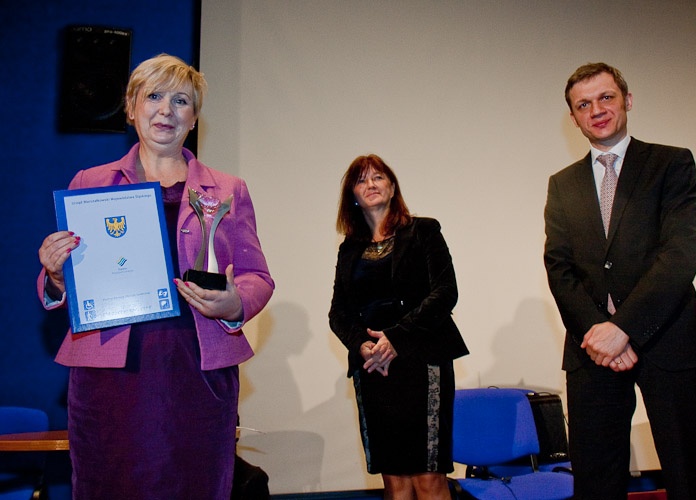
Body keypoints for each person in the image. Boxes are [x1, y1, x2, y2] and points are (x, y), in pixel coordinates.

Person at [37, 54, 274, 499]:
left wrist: (234, 303)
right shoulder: (90, 182)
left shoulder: (229, 189)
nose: (166, 110)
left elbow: (257, 276)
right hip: (110, 375)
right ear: (131, 108)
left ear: (195, 117)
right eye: (154, 97)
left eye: (181, 100)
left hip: (196, 371)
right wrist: (56, 276)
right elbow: (67, 278)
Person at [543, 62, 696, 499]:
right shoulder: (562, 184)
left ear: (627, 100)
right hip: (592, 351)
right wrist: (600, 332)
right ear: (573, 118)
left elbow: (679, 256)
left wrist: (623, 329)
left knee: (687, 476)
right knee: (596, 480)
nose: (596, 110)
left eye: (606, 97)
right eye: (583, 105)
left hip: (669, 341)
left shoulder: (671, 163)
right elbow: (559, 267)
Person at [329, 154, 468, 500]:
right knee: (394, 481)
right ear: (352, 196)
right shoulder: (349, 248)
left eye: (378, 177)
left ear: (392, 187)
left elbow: (445, 292)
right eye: (361, 180)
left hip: (422, 361)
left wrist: (395, 337)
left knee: (427, 479)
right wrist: (362, 346)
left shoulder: (423, 231)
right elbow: (338, 313)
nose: (371, 184)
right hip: (375, 368)